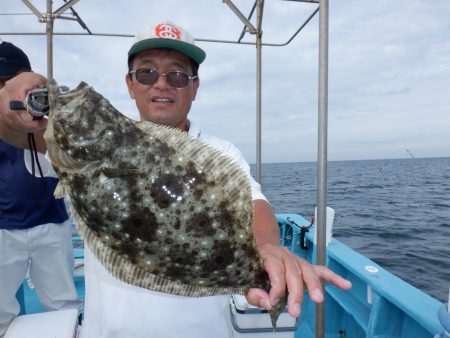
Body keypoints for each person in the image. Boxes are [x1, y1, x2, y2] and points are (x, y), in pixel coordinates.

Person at [0, 23, 351, 338]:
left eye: (178, 76)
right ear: (130, 84)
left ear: (194, 87)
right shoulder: (82, 144)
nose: (162, 83)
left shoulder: (219, 149)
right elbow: (14, 129)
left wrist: (265, 251)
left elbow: (255, 208)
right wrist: (11, 99)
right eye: (147, 73)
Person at [0, 41, 82, 338]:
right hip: (3, 229)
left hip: (52, 222)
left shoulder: (42, 123)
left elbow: (69, 151)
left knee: (64, 304)